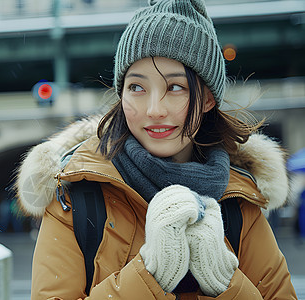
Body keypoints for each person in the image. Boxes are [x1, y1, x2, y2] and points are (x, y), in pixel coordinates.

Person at [15, 0, 297, 298]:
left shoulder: (239, 198)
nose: (153, 109)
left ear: (208, 100)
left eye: (175, 87)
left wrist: (223, 281)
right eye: (136, 87)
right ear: (121, 94)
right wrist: (149, 274)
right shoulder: (75, 193)